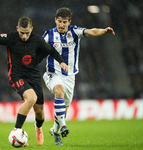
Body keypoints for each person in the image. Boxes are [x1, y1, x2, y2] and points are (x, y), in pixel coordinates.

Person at [0, 16, 68, 146]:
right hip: (17, 75)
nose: (25, 36)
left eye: (27, 33)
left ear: (31, 29)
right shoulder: (10, 38)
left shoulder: (37, 39)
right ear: (17, 29)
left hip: (34, 76)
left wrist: (61, 62)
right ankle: (17, 130)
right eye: (22, 33)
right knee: (31, 98)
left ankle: (38, 128)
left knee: (40, 112)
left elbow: (51, 50)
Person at [42, 7, 115, 145]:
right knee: (59, 91)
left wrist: (104, 31)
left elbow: (92, 31)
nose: (61, 25)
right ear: (55, 20)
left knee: (64, 108)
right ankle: (63, 126)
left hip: (70, 76)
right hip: (53, 73)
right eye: (59, 21)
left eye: (64, 22)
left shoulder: (75, 31)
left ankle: (55, 130)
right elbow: (37, 46)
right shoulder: (48, 35)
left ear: (69, 22)